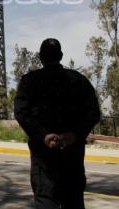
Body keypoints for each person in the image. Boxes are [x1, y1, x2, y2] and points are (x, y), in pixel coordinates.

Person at [14, 38, 100, 209]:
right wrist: (74, 134)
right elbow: (93, 113)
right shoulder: (79, 80)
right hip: (72, 161)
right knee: (73, 201)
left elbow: (21, 113)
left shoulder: (30, 81)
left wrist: (43, 135)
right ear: (61, 55)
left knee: (45, 200)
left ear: (40, 57)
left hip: (44, 163)